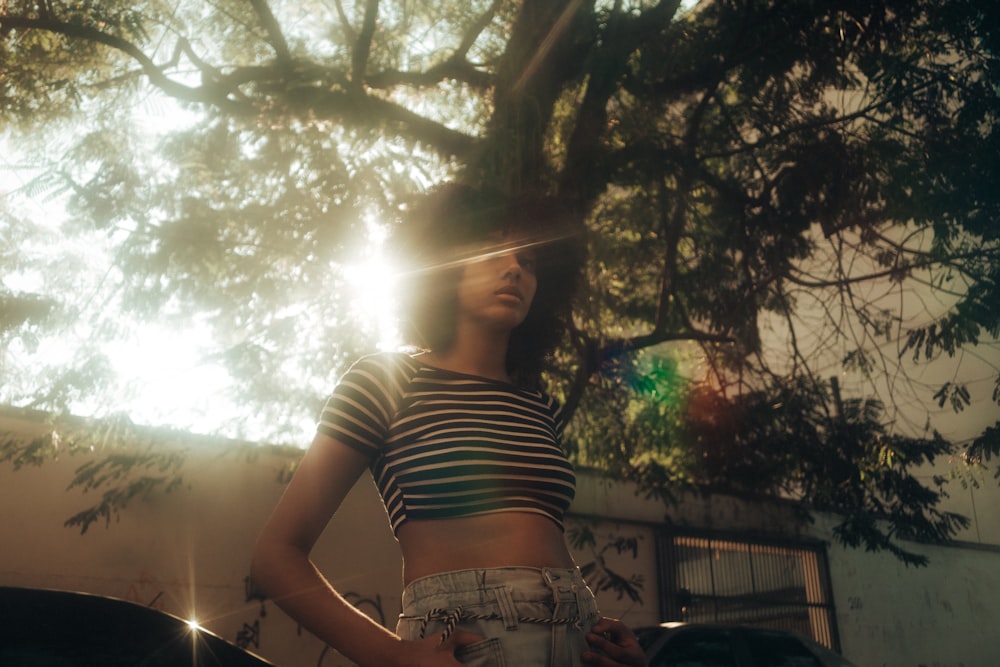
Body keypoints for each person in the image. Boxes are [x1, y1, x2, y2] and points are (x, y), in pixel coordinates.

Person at [251, 184, 646, 667]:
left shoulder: (537, 403)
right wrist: (393, 657)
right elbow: (275, 556)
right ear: (444, 264)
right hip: (467, 642)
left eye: (530, 262)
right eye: (491, 252)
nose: (514, 269)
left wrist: (611, 648)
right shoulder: (386, 380)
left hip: (579, 640)